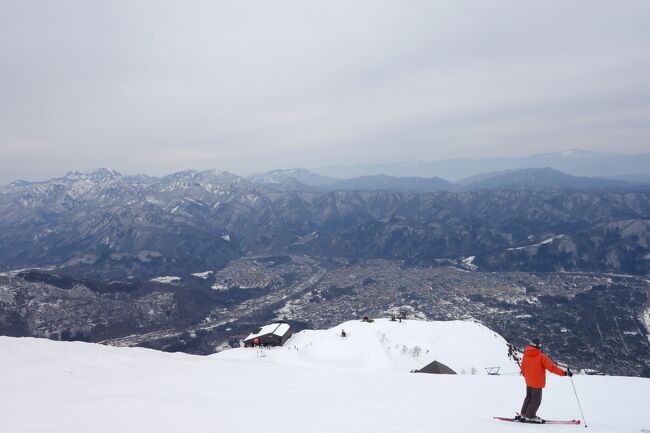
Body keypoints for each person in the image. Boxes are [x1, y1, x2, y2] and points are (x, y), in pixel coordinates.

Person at [517, 338, 573, 424]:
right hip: (537, 383)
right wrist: (565, 373)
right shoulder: (541, 357)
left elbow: (523, 368)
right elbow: (552, 368)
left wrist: (527, 377)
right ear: (538, 346)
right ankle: (530, 417)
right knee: (535, 400)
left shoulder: (526, 354)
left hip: (528, 381)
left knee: (528, 397)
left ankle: (523, 414)